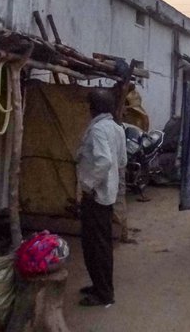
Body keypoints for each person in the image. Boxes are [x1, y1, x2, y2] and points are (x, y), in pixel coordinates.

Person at [75, 89, 127, 307]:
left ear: (92, 109)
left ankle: (103, 293)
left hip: (95, 195)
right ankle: (100, 285)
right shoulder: (117, 128)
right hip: (107, 194)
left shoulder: (97, 130)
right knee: (101, 244)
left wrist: (88, 184)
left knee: (94, 245)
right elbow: (122, 161)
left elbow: (104, 161)